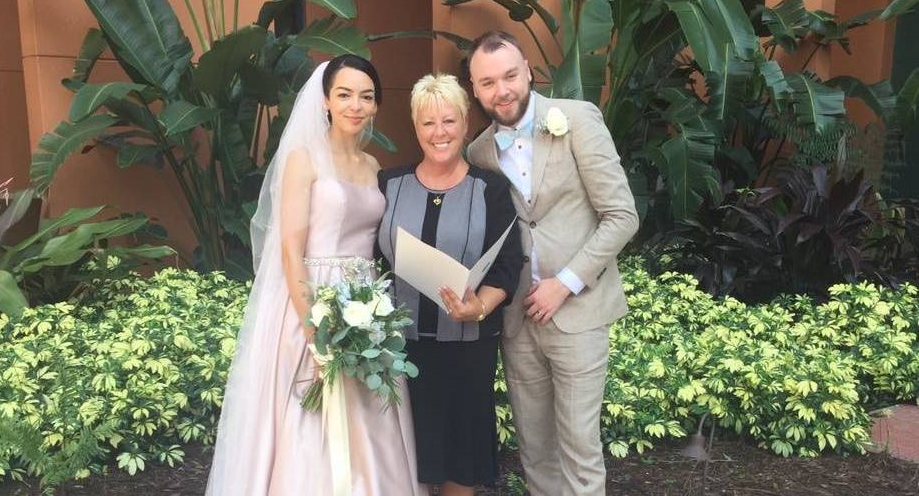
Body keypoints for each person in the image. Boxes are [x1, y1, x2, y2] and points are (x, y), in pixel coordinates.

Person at [206, 55, 425, 495]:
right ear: (326, 100)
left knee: (370, 416)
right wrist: (313, 326)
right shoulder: (304, 160)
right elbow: (289, 247)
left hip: (368, 306)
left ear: (376, 105)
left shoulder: (373, 167)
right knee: (310, 422)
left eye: (366, 96)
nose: (355, 105)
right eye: (344, 94)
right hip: (311, 299)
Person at [465, 31, 639, 496]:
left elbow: (621, 216)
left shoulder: (576, 119)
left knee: (580, 450)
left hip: (577, 314)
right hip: (518, 318)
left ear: (528, 71)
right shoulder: (478, 153)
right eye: (487, 83)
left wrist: (564, 284)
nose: (501, 90)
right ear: (475, 89)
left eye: (508, 75)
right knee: (535, 451)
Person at [376, 73, 523, 496]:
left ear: (463, 124)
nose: (439, 133)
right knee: (404, 458)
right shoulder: (388, 184)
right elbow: (370, 260)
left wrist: (479, 306)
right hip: (398, 348)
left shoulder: (490, 188)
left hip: (467, 345)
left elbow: (507, 264)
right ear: (415, 127)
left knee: (461, 457)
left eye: (449, 121)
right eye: (428, 123)